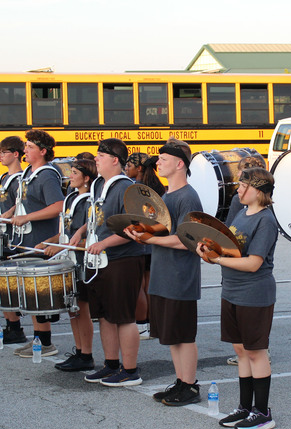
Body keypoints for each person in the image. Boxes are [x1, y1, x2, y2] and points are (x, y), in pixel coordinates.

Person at [197, 167, 278, 429]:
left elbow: (254, 263)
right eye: (240, 186)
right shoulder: (242, 213)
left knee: (256, 351)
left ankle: (263, 412)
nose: (239, 190)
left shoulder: (265, 220)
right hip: (231, 289)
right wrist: (210, 250)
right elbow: (233, 250)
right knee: (241, 350)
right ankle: (245, 407)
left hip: (254, 293)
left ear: (260, 191)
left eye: (245, 187)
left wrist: (217, 259)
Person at [125, 137, 203, 406]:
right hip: (162, 275)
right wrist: (137, 232)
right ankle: (181, 382)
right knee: (172, 335)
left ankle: (191, 386)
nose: (158, 162)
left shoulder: (188, 196)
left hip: (180, 278)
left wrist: (151, 240)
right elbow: (159, 232)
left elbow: (188, 240)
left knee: (183, 334)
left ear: (179, 164)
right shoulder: (167, 196)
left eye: (164, 159)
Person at [74, 138, 146, 386]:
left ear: (115, 160)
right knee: (104, 316)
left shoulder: (127, 188)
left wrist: (104, 243)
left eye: (101, 156)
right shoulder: (97, 186)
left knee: (124, 317)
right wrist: (81, 232)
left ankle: (130, 370)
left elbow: (136, 227)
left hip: (122, 259)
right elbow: (97, 217)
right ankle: (111, 364)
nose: (96, 159)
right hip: (100, 261)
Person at [8, 129, 65, 358]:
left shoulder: (47, 175)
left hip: (39, 241)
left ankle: (46, 343)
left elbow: (58, 206)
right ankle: (38, 340)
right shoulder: (28, 174)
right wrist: (9, 214)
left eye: (30, 147)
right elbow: (22, 202)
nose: (25, 150)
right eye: (26, 146)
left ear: (43, 151)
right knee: (29, 295)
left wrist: (27, 217)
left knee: (38, 295)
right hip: (25, 241)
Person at [44, 157, 96, 372]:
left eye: (75, 173)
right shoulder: (71, 198)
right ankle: (78, 349)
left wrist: (63, 247)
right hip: (68, 262)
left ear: (86, 178)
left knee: (82, 308)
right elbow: (66, 232)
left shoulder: (91, 202)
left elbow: (91, 237)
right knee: (72, 309)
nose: (70, 176)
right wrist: (50, 242)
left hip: (82, 263)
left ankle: (87, 354)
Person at [224, 153, 267, 365]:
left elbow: (229, 231)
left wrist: (219, 257)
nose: (238, 185)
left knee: (249, 343)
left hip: (244, 277)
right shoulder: (253, 206)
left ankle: (256, 351)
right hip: (237, 274)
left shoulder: (250, 209)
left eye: (241, 179)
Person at [0, 135, 27, 345]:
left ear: (15, 154)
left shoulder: (21, 178)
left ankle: (16, 327)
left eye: (4, 152)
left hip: (14, 236)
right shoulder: (3, 178)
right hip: (1, 234)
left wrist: (6, 216)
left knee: (9, 282)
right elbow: (0, 203)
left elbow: (20, 203)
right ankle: (11, 325)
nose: (0, 156)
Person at [124, 152, 165, 340]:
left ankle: (141, 325)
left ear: (139, 168)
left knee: (139, 285)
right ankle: (153, 322)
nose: (126, 168)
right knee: (149, 284)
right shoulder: (157, 187)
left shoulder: (135, 188)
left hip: (142, 241)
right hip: (153, 241)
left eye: (129, 165)